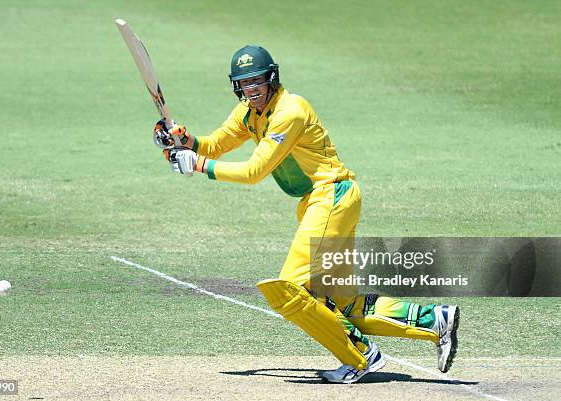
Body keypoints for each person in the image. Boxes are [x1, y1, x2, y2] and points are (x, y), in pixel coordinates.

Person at [153, 45, 459, 383]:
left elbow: (254, 171)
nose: (251, 89)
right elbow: (217, 143)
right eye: (244, 83)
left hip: (331, 197)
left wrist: (197, 165)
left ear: (271, 78)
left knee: (288, 290)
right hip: (325, 201)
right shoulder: (249, 112)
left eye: (257, 81)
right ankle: (434, 320)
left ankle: (360, 355)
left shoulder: (290, 111)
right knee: (344, 303)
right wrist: (184, 140)